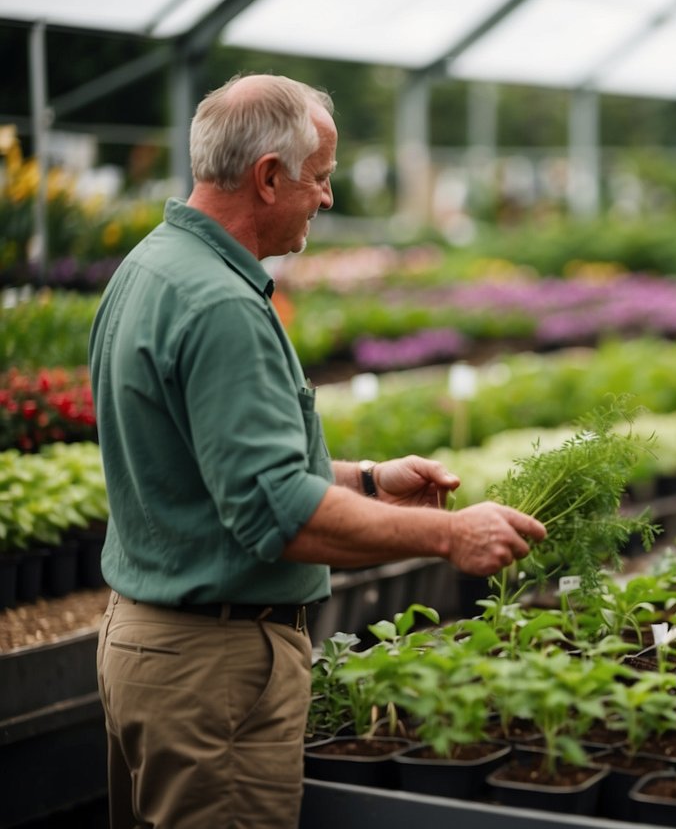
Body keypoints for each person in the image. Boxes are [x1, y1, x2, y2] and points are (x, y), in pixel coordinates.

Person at [88, 74, 546, 829]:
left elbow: (217, 473)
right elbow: (277, 515)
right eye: (321, 178)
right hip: (215, 671)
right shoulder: (222, 306)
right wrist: (450, 533)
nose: (327, 199)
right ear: (269, 177)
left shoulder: (150, 269)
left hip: (149, 648)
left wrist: (367, 479)